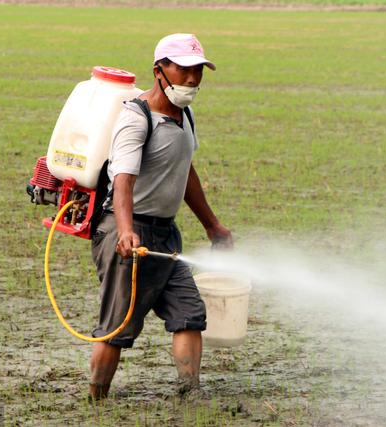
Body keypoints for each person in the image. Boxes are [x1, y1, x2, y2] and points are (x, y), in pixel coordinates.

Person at [89, 33, 232, 401]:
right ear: (159, 71)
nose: (192, 79)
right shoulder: (136, 120)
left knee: (189, 313)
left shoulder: (185, 115)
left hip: (166, 235)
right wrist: (124, 231)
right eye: (183, 70)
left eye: (198, 70)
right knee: (117, 325)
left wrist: (212, 225)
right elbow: (123, 182)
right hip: (127, 232)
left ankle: (191, 390)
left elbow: (185, 171)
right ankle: (95, 397)